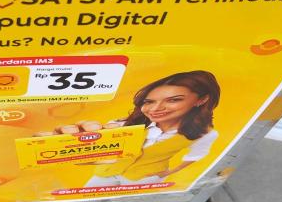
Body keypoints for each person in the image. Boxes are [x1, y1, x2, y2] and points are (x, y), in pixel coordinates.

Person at [42, 70, 220, 187]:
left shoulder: (204, 133)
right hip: (107, 173)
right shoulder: (125, 123)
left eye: (174, 100)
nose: (156, 109)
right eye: (149, 102)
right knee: (84, 200)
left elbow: (196, 155)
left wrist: (169, 172)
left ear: (201, 100)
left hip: (145, 178)